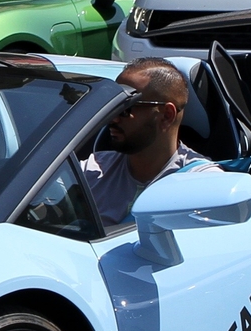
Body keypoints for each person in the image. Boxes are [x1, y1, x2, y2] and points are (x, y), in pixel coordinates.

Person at [80, 57, 209, 223]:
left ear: (166, 116)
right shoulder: (92, 170)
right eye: (112, 106)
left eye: (125, 107)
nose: (113, 118)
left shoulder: (200, 183)